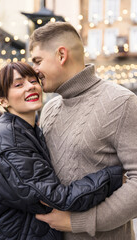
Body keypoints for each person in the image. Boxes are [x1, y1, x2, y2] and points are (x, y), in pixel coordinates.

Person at [0, 62, 122, 240]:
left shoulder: (26, 130)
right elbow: (58, 199)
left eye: (33, 81)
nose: (30, 86)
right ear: (3, 100)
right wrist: (114, 175)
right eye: (19, 84)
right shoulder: (12, 143)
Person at [29, 21, 137, 239]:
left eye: (37, 61)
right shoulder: (49, 109)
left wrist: (76, 222)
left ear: (61, 55)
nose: (34, 70)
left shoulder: (121, 102)